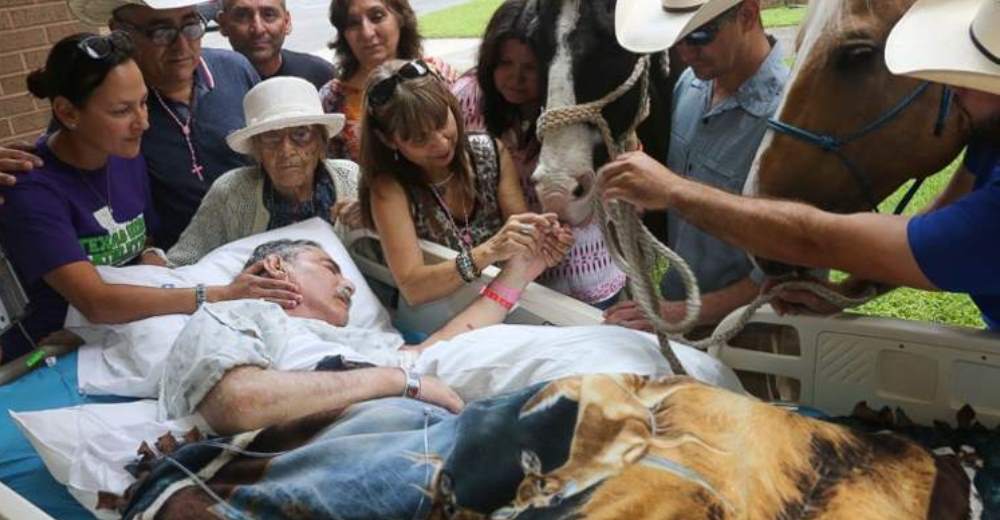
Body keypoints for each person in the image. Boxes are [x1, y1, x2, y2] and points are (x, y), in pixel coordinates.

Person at [599, 0, 1000, 329]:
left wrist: (673, 191)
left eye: (977, 74)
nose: (951, 82)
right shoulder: (990, 132)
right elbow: (942, 210)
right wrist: (854, 292)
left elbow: (817, 241)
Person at [158, 238, 739, 435]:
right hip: (438, 395)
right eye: (329, 266)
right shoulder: (242, 317)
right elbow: (236, 402)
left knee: (677, 368)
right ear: (280, 270)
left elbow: (441, 346)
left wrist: (521, 272)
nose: (349, 285)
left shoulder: (359, 346)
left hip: (448, 372)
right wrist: (398, 381)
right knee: (669, 393)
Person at [0, 33, 297, 362]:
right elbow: (96, 302)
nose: (142, 122)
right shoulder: (31, 189)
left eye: (143, 102)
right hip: (52, 351)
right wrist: (219, 294)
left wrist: (153, 257)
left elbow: (142, 241)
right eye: (121, 111)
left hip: (130, 331)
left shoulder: (124, 154)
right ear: (68, 112)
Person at [0, 0, 261, 250]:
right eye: (160, 31)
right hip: (177, 264)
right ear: (120, 33)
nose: (182, 45)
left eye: (191, 26)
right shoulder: (101, 102)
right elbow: (61, 170)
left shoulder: (235, 70)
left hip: (260, 240)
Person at [604, 0, 790, 332]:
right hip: (678, 306)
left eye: (700, 36)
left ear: (747, 15)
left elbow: (791, 273)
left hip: (750, 333)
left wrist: (681, 312)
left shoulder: (788, 118)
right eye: (677, 39)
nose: (685, 54)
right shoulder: (690, 85)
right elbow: (685, 189)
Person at [453, 0, 627, 308]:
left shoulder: (580, 113)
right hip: (514, 277)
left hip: (585, 274)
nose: (515, 78)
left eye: (530, 68)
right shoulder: (468, 100)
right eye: (505, 63)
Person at [359, 60, 573, 305]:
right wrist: (489, 251)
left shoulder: (490, 152)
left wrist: (544, 242)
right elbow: (414, 288)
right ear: (388, 141)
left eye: (441, 123)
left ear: (451, 104)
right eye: (419, 139)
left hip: (505, 303)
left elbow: (523, 244)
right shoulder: (389, 188)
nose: (440, 144)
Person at [164, 76, 360, 266]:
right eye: (271, 137)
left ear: (321, 142)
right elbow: (182, 261)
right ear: (256, 150)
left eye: (301, 134)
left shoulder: (350, 179)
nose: (286, 151)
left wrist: (369, 221)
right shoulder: (231, 191)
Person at [320, 0, 458, 162]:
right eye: (353, 23)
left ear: (400, 17)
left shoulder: (437, 73)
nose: (367, 32)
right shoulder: (332, 100)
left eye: (377, 17)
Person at [216, 0, 336, 89]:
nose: (258, 29)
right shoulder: (207, 87)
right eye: (242, 16)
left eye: (269, 15)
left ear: (287, 22)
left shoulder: (321, 77)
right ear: (223, 24)